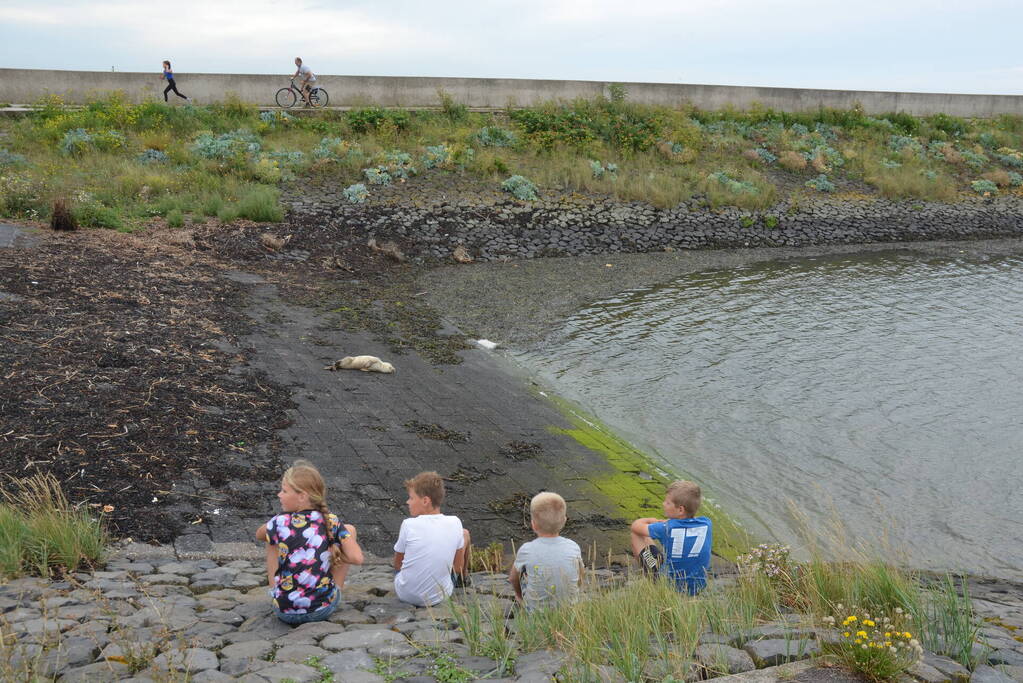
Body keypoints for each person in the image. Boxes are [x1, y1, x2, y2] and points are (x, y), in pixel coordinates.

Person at [256, 460, 364, 624]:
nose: (279, 494)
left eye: (284, 491)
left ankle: (274, 590)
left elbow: (259, 534)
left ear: (302, 496)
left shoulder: (280, 522)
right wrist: (329, 552)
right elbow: (357, 558)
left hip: (284, 612)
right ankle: (335, 589)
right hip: (321, 611)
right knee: (349, 530)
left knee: (271, 538)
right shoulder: (331, 521)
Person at [393, 471, 472, 606]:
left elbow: (397, 564)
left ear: (425, 501)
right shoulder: (455, 522)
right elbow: (456, 567)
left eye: (411, 498)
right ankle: (463, 579)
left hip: (406, 594)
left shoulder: (408, 524)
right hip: (439, 596)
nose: (407, 502)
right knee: (465, 534)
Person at [629, 480, 712, 595]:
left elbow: (635, 526)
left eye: (667, 503)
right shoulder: (707, 524)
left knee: (638, 535)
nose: (663, 504)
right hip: (697, 587)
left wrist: (654, 521)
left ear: (680, 510)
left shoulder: (667, 527)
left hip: (670, 587)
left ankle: (652, 582)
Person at [509, 492, 583, 611]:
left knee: (522, 572)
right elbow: (580, 575)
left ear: (533, 524)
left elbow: (513, 578)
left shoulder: (527, 549)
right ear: (564, 521)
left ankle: (522, 602)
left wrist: (519, 595)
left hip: (535, 612)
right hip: (569, 609)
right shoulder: (573, 546)